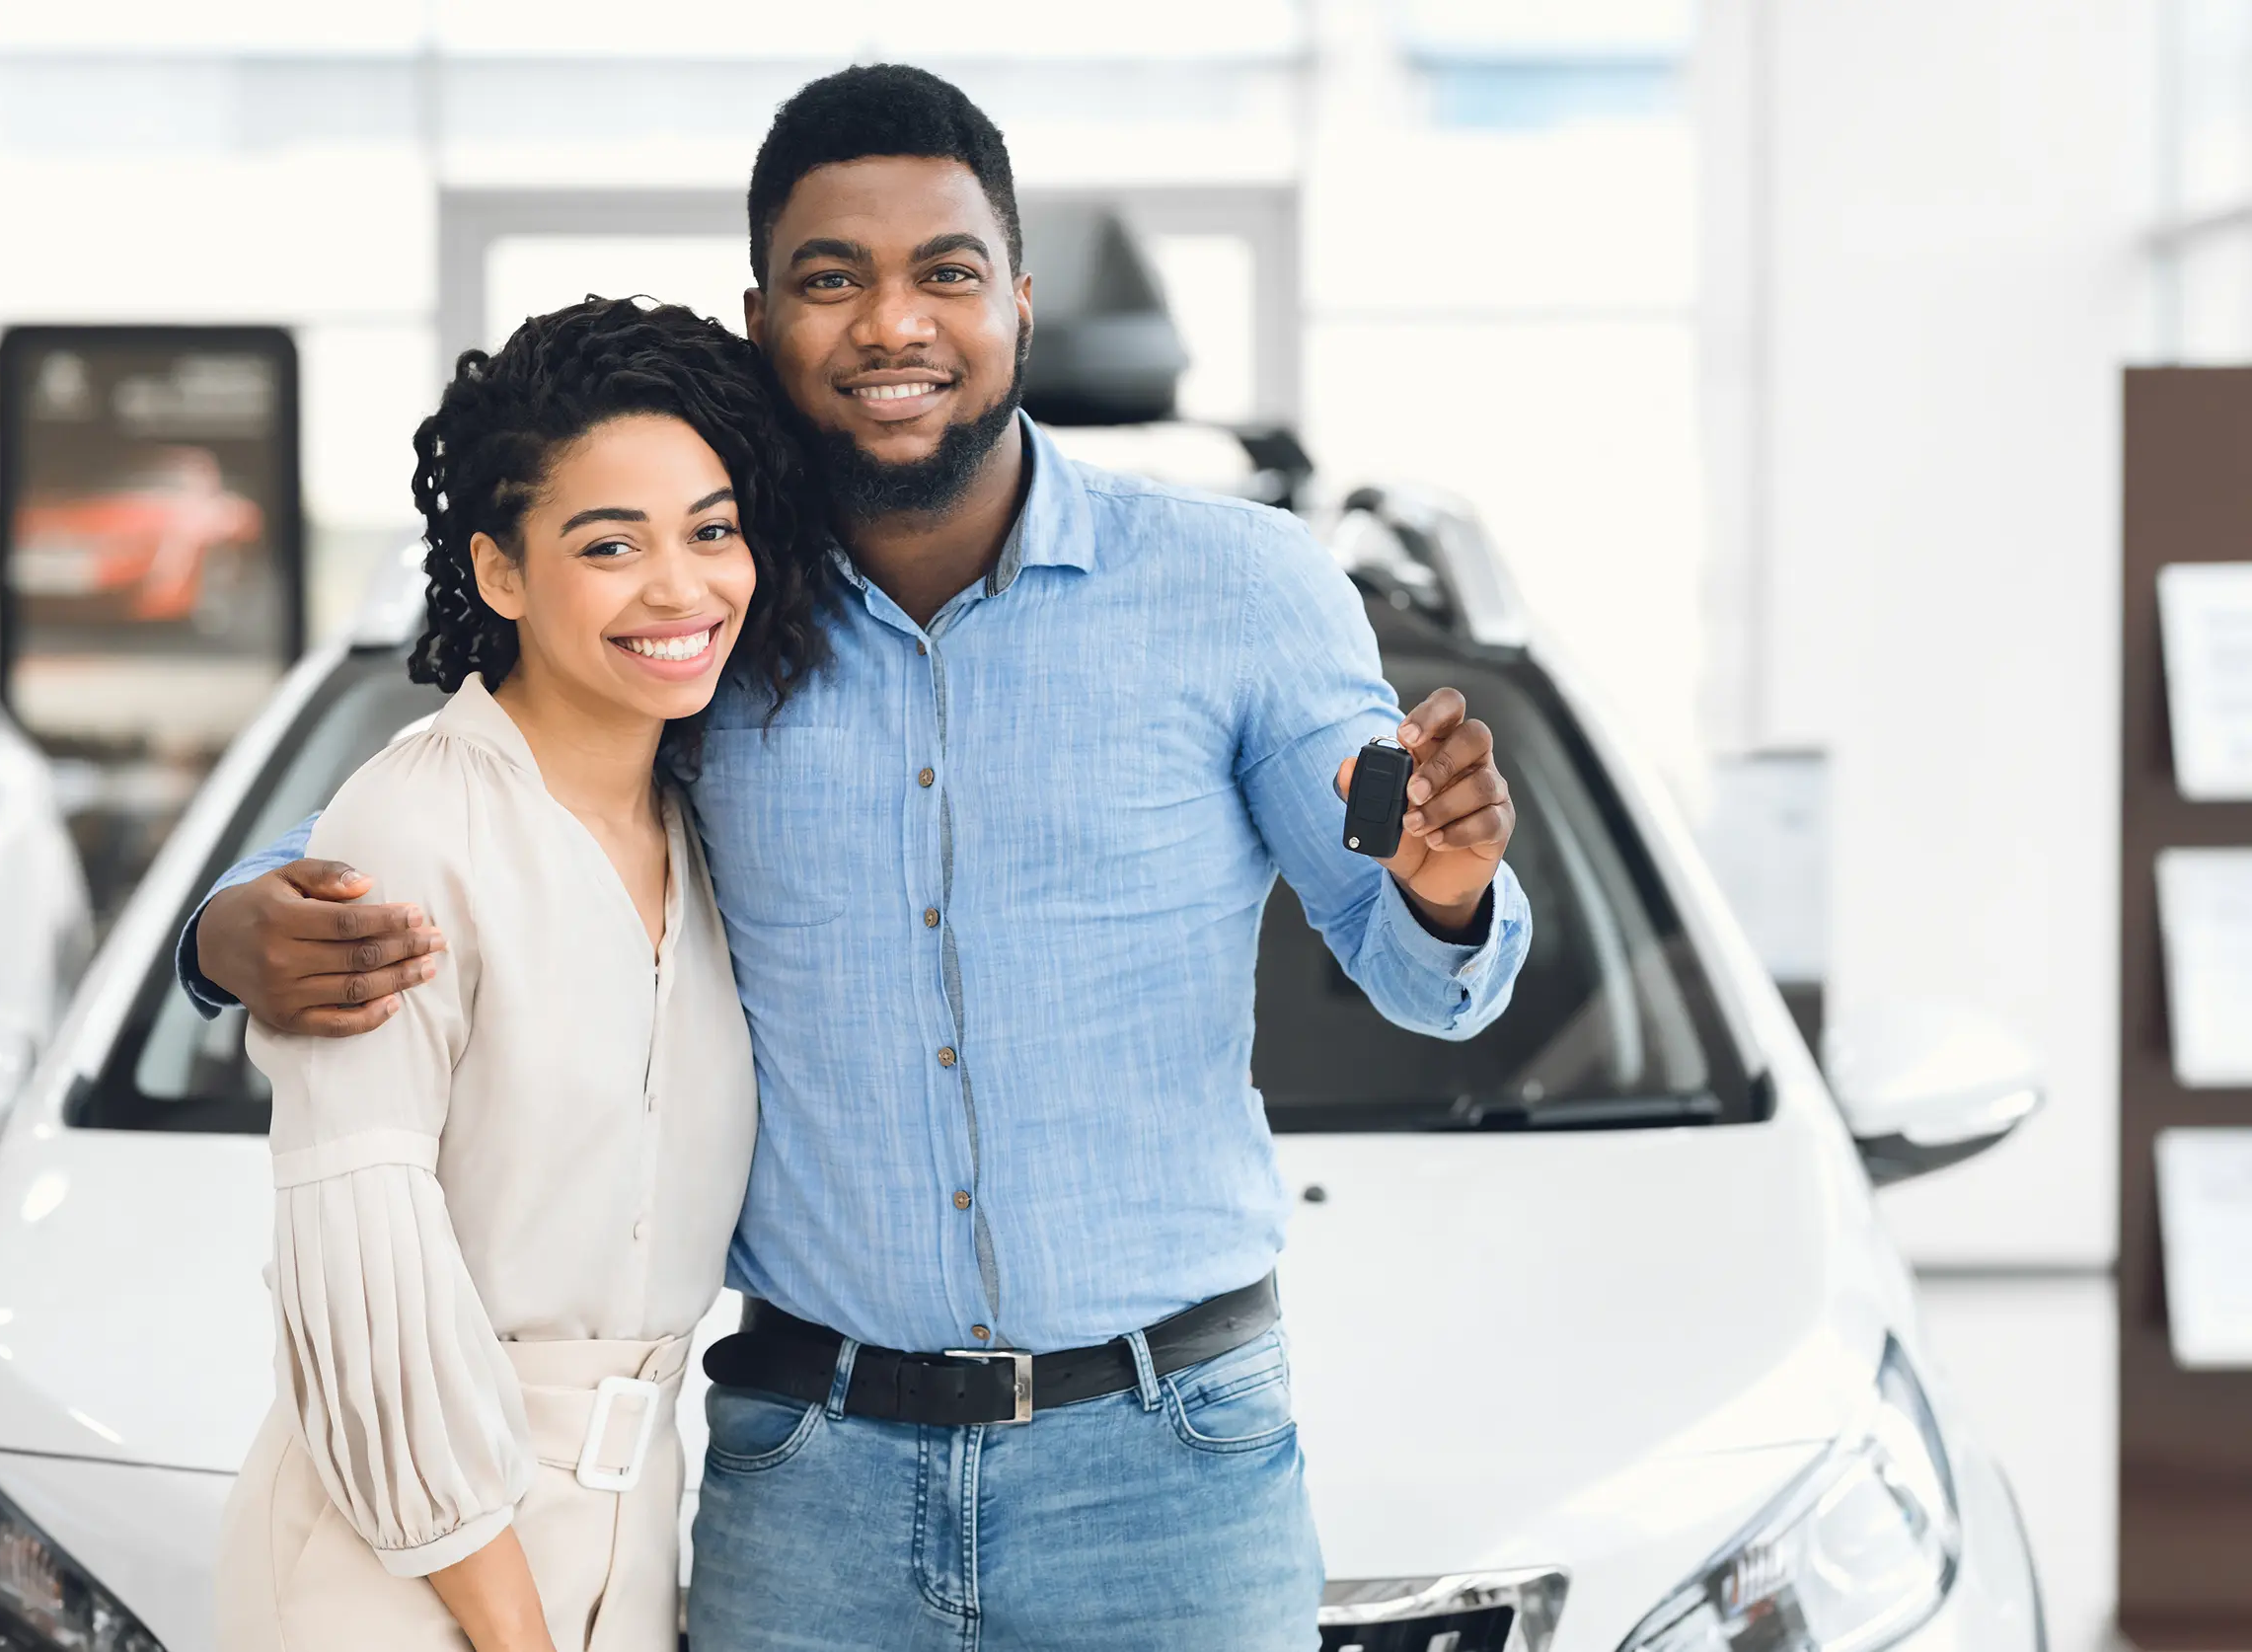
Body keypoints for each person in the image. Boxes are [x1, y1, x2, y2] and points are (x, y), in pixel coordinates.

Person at [187, 66, 1533, 1650]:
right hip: (804, 1472)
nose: (893, 323)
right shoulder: (706, 611)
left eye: (945, 273)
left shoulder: (1241, 591)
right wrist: (225, 926)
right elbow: (470, 787)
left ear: (1018, 303)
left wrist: (1444, 884)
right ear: (761, 318)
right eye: (833, 280)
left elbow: (1412, 953)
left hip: (1169, 1467)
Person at [210, 296, 826, 1652]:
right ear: (499, 573)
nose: (679, 588)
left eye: (710, 531)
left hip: (630, 1539)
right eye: (609, 545)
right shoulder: (412, 826)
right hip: (407, 1567)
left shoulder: (704, 826)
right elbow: (363, 1287)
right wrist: (516, 1633)